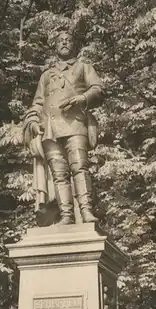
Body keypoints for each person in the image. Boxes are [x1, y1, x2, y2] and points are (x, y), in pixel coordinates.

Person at [23, 31, 105, 225]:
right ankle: (66, 215)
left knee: (79, 167)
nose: (65, 43)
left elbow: (99, 89)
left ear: (74, 45)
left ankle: (86, 211)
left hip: (75, 124)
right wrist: (33, 120)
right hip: (49, 129)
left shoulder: (84, 67)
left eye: (68, 40)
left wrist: (82, 98)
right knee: (59, 174)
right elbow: (37, 103)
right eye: (60, 41)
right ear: (55, 47)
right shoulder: (46, 76)